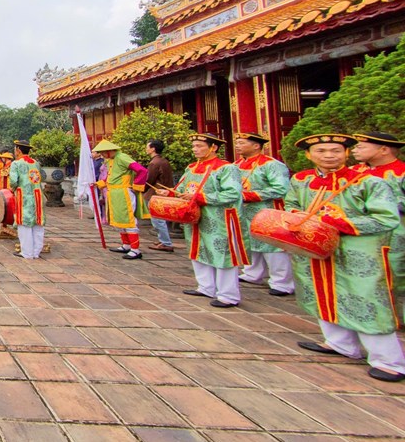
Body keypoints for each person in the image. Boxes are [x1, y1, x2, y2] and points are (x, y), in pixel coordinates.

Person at [288, 134, 404, 382]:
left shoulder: (367, 182)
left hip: (358, 250)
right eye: (321, 151)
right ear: (309, 155)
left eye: (335, 150)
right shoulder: (301, 181)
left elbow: (386, 218)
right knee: (320, 291)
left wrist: (337, 223)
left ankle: (388, 361)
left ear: (346, 154)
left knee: (366, 298)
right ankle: (339, 343)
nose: (329, 155)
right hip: (315, 247)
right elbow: (290, 205)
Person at [155, 134, 248, 308]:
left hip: (218, 217)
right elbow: (181, 189)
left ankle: (228, 295)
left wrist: (201, 197)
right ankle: (206, 286)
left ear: (213, 148)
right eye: (194, 146)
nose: (195, 149)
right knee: (197, 249)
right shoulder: (192, 168)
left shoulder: (226, 168)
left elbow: (233, 193)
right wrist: (170, 193)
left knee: (222, 253)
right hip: (195, 215)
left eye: (199, 146)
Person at [234, 132, 295, 296]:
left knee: (272, 245)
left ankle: (282, 282)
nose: (237, 145)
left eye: (242, 142)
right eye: (237, 142)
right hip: (245, 210)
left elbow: (281, 188)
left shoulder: (271, 164)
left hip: (267, 210)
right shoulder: (237, 165)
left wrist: (252, 195)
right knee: (250, 242)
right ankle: (252, 273)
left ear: (256, 145)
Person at [351, 131, 405, 316]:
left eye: (361, 146)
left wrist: (381, 202)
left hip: (397, 232)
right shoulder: (356, 172)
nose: (355, 150)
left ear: (384, 149)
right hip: (362, 233)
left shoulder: (401, 172)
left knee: (397, 274)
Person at [92, 140, 149, 260]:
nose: (102, 155)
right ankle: (126, 245)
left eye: (103, 153)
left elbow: (142, 170)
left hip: (124, 192)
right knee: (119, 219)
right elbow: (111, 177)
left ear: (109, 151)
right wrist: (99, 183)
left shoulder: (122, 157)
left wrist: (136, 186)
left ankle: (135, 249)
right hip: (113, 192)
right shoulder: (110, 161)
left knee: (128, 220)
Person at [9, 140, 46, 259]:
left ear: (18, 150)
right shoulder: (36, 163)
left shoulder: (16, 163)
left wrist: (13, 188)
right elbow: (42, 177)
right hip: (37, 195)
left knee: (24, 224)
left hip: (24, 195)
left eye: (15, 149)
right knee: (37, 223)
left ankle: (27, 253)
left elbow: (13, 181)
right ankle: (36, 252)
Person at [144, 139, 174, 252]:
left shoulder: (154, 163)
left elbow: (149, 180)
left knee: (157, 220)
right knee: (161, 218)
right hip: (164, 192)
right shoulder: (163, 161)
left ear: (153, 149)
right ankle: (163, 240)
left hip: (155, 193)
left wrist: (142, 189)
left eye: (148, 147)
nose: (146, 149)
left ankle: (166, 242)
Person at [91, 150, 108, 223]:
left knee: (101, 199)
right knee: (96, 198)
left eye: (93, 152)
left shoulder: (101, 162)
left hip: (100, 182)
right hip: (97, 182)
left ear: (98, 154)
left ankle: (101, 214)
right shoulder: (94, 161)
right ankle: (97, 213)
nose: (92, 154)